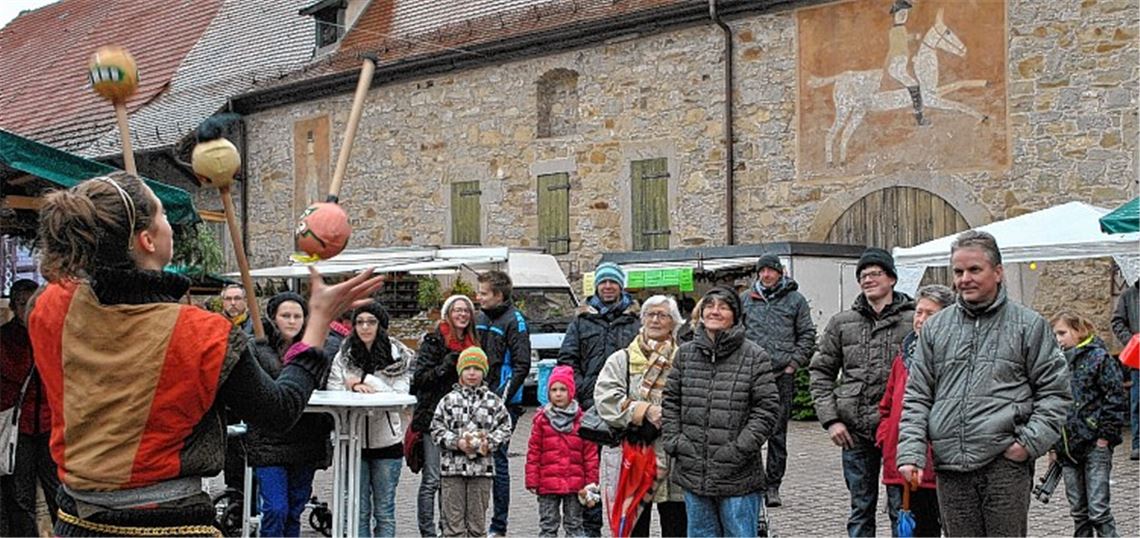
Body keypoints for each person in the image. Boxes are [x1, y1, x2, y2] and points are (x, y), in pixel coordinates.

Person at [25, 171, 382, 535]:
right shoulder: (201, 333)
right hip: (166, 522)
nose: (171, 226)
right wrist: (318, 320)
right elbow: (277, 411)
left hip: (76, 520)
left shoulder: (49, 308)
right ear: (147, 239)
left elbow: (90, 297)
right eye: (163, 215)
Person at [897, 230, 1072, 537]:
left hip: (1004, 465)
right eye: (958, 271)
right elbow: (918, 395)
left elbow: (1055, 393)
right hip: (950, 467)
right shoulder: (937, 327)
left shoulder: (1028, 326)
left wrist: (1028, 444)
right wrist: (911, 452)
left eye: (974, 269)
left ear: (998, 272)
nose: (965, 278)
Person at [810, 247, 914, 537]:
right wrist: (831, 419)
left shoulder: (913, 320)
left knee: (902, 507)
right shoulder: (843, 323)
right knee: (860, 508)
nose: (868, 280)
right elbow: (820, 372)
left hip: (899, 430)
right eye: (863, 276)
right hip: (854, 431)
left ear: (892, 278)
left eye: (875, 273)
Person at [661, 287, 779, 537]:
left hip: (738, 474)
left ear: (735, 315)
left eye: (723, 306)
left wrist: (738, 449)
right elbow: (670, 401)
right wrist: (675, 442)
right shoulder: (685, 354)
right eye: (709, 305)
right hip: (694, 470)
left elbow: (766, 410)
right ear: (701, 312)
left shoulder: (754, 356)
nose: (715, 311)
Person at [594, 295, 688, 537]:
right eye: (650, 314)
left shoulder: (685, 359)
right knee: (634, 529)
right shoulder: (621, 359)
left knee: (676, 525)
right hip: (635, 456)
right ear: (642, 319)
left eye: (663, 315)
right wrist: (644, 410)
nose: (655, 320)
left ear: (674, 323)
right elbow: (606, 399)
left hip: (675, 456)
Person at [559, 261, 640, 536]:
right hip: (589, 407)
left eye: (613, 282)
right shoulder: (581, 321)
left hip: (625, 409)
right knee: (590, 473)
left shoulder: (635, 321)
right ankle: (591, 530)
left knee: (626, 474)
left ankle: (625, 527)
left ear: (621, 285)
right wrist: (584, 391)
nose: (608, 287)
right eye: (603, 282)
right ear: (596, 286)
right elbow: (567, 360)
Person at [247, 291, 336, 538]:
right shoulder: (257, 348)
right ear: (274, 318)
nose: (292, 321)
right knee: (276, 508)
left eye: (297, 316)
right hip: (269, 441)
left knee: (295, 509)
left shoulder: (315, 350)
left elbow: (325, 384)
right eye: (285, 315)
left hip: (306, 440)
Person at [328, 301, 414, 537]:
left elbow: (400, 396)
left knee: (384, 510)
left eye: (371, 322)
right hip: (352, 441)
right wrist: (354, 388)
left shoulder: (398, 356)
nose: (365, 327)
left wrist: (363, 381)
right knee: (357, 508)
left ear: (380, 325)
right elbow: (333, 390)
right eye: (359, 322)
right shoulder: (343, 355)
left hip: (387, 441)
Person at [875, 284, 954, 537]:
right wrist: (886, 435)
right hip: (905, 461)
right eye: (918, 313)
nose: (920, 320)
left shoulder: (953, 358)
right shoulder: (904, 355)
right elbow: (888, 403)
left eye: (929, 314)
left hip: (941, 463)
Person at [741, 253, 817, 507]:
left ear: (780, 272)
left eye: (770, 271)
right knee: (747, 430)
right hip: (751, 375)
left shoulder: (795, 300)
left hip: (781, 375)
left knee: (777, 434)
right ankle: (750, 482)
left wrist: (793, 364)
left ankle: (772, 486)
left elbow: (807, 334)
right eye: (761, 271)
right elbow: (736, 332)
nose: (765, 275)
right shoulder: (746, 300)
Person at [1049, 311, 1126, 537]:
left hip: (1095, 445)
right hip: (1068, 448)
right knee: (1079, 512)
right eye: (1055, 334)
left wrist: (1105, 437)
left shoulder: (1099, 358)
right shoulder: (1057, 362)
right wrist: (1054, 445)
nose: (1058, 339)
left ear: (1079, 330)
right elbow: (1052, 403)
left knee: (1098, 511)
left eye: (1062, 333)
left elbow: (1115, 398)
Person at [412, 294, 478, 537]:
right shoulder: (434, 340)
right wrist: (444, 367)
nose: (462, 315)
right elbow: (419, 379)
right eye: (457, 310)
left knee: (452, 481)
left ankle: (447, 530)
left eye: (466, 311)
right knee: (432, 479)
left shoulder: (473, 343)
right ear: (448, 314)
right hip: (433, 419)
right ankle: (427, 532)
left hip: (462, 422)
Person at [430, 347, 513, 538]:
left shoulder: (493, 402)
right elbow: (436, 428)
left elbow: (505, 427)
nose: (472, 373)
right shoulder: (448, 401)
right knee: (453, 525)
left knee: (477, 525)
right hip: (452, 470)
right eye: (468, 368)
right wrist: (456, 442)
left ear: (484, 371)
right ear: (460, 371)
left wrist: (489, 442)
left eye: (477, 368)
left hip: (481, 471)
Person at [475, 270, 531, 537]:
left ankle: (499, 526)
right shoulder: (481, 317)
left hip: (504, 403)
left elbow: (522, 365)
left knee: (497, 461)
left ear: (498, 295)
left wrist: (500, 398)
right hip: (477, 399)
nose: (478, 297)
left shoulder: (515, 320)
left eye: (483, 293)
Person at [0, 279, 59, 536]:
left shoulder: (51, 335)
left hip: (50, 425)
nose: (29, 310)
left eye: (33, 303)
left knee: (58, 492)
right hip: (17, 429)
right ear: (13, 307)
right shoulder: (5, 340)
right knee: (20, 497)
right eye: (23, 304)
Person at [525, 365, 599, 538]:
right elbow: (534, 452)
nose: (558, 394)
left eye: (563, 389)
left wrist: (591, 483)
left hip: (575, 484)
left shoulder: (582, 421)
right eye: (554, 389)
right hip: (547, 483)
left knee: (574, 524)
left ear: (571, 392)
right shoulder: (541, 420)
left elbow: (590, 456)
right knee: (548, 525)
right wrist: (532, 479)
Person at [885, 0, 927, 125]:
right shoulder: (895, 31)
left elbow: (903, 39)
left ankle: (918, 113)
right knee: (914, 85)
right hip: (898, 64)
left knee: (914, 83)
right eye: (901, 13)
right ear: (895, 15)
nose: (904, 15)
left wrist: (913, 37)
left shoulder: (901, 29)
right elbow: (896, 46)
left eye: (905, 13)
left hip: (900, 62)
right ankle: (919, 116)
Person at [1110, 278, 1138, 460]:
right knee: (1138, 401)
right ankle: (1138, 444)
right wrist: (1132, 341)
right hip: (1139, 357)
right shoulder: (1129, 295)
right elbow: (1117, 321)